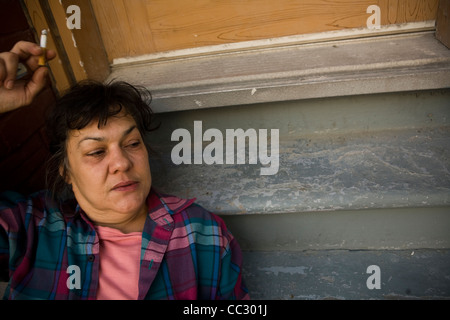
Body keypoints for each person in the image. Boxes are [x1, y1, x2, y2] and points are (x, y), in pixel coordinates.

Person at [0, 41, 249, 300]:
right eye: (96, 152)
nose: (122, 163)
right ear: (66, 171)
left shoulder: (201, 234)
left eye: (132, 144)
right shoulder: (33, 228)